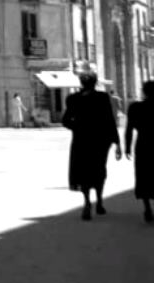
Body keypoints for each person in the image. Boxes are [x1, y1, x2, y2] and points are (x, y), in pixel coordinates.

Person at [62, 68, 121, 220]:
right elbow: (109, 120)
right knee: (99, 169)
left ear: (81, 82)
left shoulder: (72, 98)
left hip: (81, 140)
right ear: (95, 83)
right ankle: (100, 201)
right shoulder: (102, 97)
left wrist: (77, 127)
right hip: (100, 140)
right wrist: (117, 142)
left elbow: (65, 121)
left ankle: (87, 201)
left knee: (83, 171)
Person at [124, 80, 154, 223]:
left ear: (144, 91)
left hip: (143, 144)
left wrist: (128, 147)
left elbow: (129, 128)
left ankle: (147, 206)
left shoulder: (135, 107)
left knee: (143, 175)